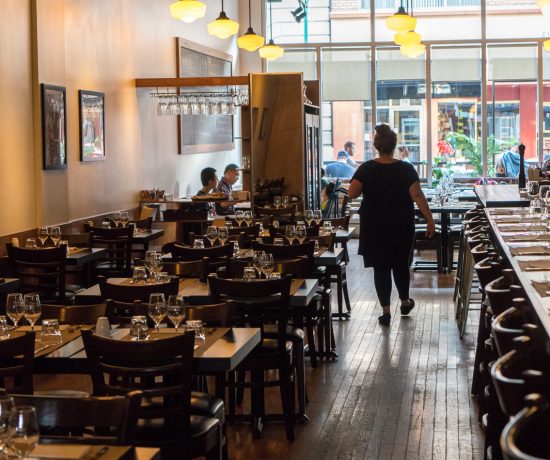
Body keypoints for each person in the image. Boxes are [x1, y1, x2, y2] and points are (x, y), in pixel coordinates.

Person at [348, 124, 435, 326]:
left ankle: (386, 311)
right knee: (400, 263)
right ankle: (404, 301)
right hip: (401, 224)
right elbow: (417, 195)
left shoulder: (366, 168)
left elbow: (352, 193)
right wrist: (429, 219)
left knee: (381, 267)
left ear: (377, 146)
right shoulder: (406, 169)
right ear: (394, 145)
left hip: (374, 225)